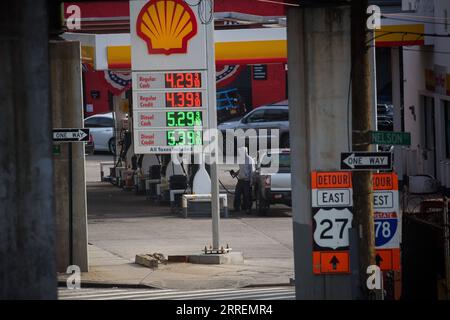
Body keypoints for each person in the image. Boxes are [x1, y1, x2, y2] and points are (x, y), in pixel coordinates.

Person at [230, 147, 255, 214]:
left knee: (247, 196)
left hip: (247, 181)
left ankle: (248, 209)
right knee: (237, 194)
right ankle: (236, 208)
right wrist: (236, 173)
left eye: (241, 152)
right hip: (240, 180)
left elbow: (252, 171)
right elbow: (241, 169)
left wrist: (251, 181)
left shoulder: (250, 160)